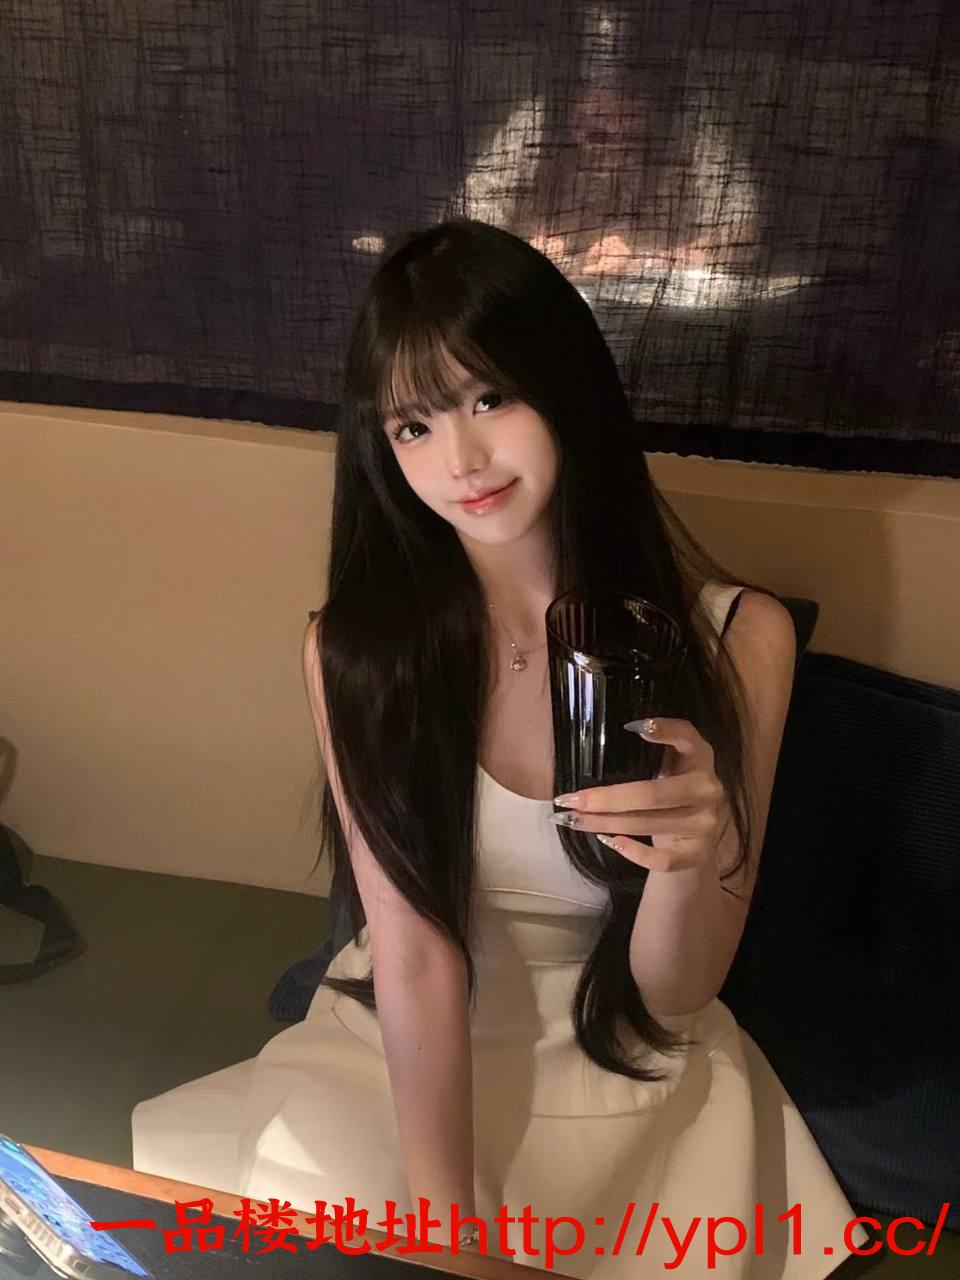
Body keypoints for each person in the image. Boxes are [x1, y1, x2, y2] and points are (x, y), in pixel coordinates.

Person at [132, 218, 869, 1277]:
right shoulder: (359, 650)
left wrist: (687, 860)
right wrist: (447, 1234)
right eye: (413, 426)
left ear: (566, 389)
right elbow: (414, 952)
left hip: (627, 1053)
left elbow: (675, 996)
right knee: (318, 1210)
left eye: (489, 399)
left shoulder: (735, 639)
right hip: (409, 1043)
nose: (462, 461)